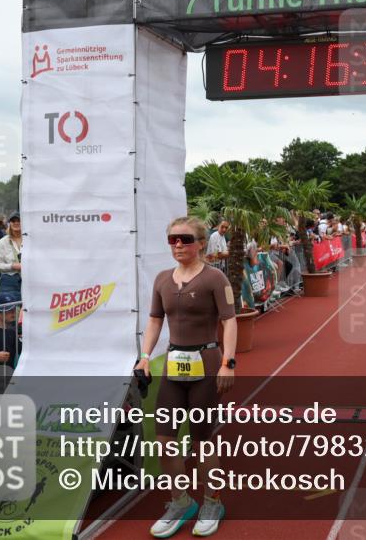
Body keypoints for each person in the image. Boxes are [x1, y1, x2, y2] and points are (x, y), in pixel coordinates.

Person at [135, 217, 237, 538]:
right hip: (173, 367)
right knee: (164, 440)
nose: (178, 245)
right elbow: (154, 320)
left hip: (205, 365)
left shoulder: (215, 278)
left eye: (185, 239)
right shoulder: (162, 279)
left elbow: (230, 321)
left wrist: (228, 363)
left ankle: (212, 501)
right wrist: (146, 356)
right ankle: (180, 502)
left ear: (201, 242)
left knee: (202, 442)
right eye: (172, 240)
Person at [0, 212, 22, 297]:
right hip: (9, 281)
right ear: (10, 223)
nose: (16, 223)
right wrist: (12, 266)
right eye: (13, 221)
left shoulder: (31, 240)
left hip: (30, 280)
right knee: (8, 309)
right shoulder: (3, 242)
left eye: (19, 220)